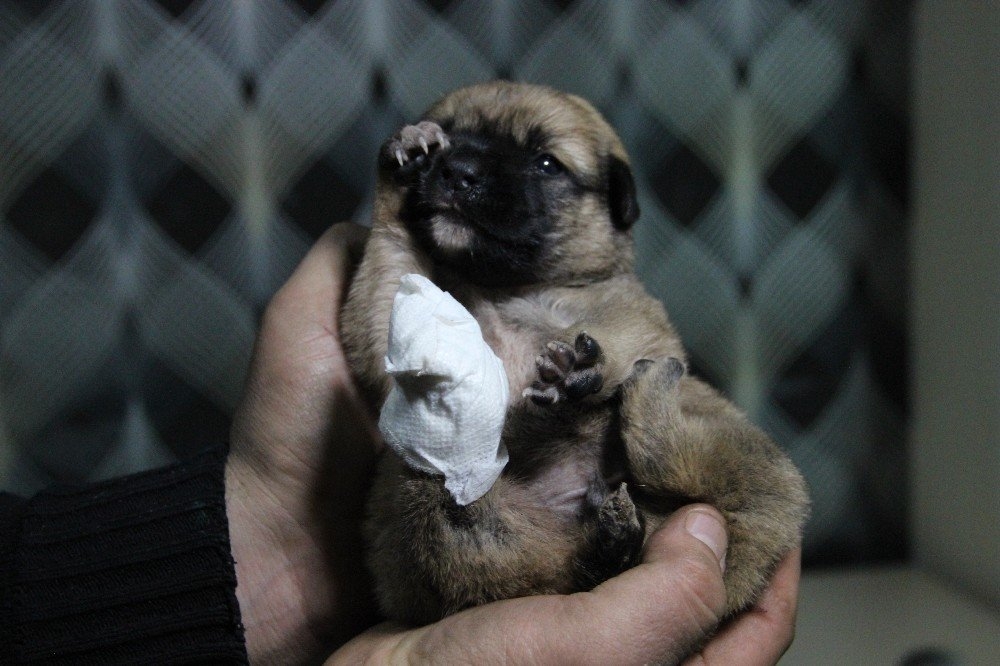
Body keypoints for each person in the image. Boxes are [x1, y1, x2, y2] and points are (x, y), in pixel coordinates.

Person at [1, 224, 800, 665]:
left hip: (613, 482)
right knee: (437, 496)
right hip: (477, 534)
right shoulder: (429, 286)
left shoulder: (612, 296)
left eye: (548, 164)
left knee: (732, 477)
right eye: (441, 153)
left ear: (615, 207)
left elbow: (658, 371)